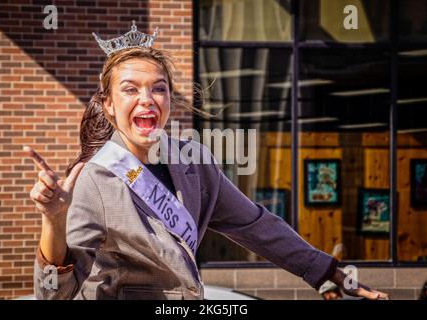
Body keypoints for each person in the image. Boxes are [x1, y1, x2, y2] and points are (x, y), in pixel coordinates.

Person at [27, 23, 389, 300]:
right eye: (131, 89)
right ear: (108, 104)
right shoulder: (95, 179)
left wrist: (330, 272)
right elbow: (53, 293)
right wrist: (53, 220)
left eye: (158, 88)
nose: (148, 99)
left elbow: (258, 226)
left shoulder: (194, 163)